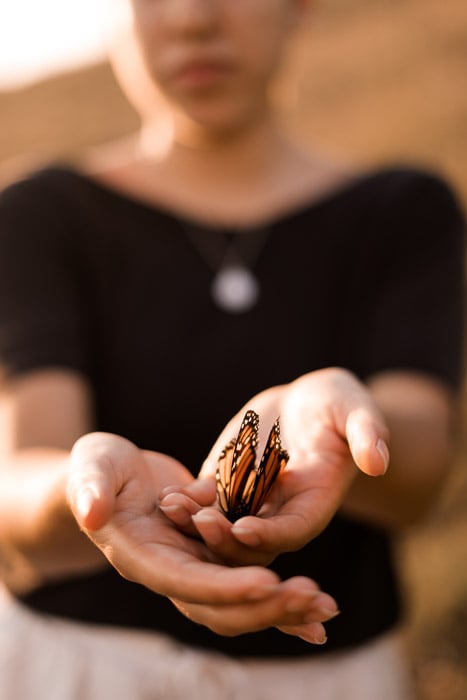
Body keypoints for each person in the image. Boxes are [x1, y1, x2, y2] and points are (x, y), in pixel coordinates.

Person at [0, 1, 464, 698]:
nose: (191, 18)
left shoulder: (403, 210)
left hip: (328, 674)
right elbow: (17, 475)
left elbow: (420, 473)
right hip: (79, 671)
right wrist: (82, 490)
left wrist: (338, 426)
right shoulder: (38, 213)